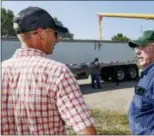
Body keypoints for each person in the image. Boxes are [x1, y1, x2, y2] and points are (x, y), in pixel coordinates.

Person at [1, 6, 96, 135]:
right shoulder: (58, 73)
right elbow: (86, 131)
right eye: (55, 33)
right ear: (41, 33)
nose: (57, 39)